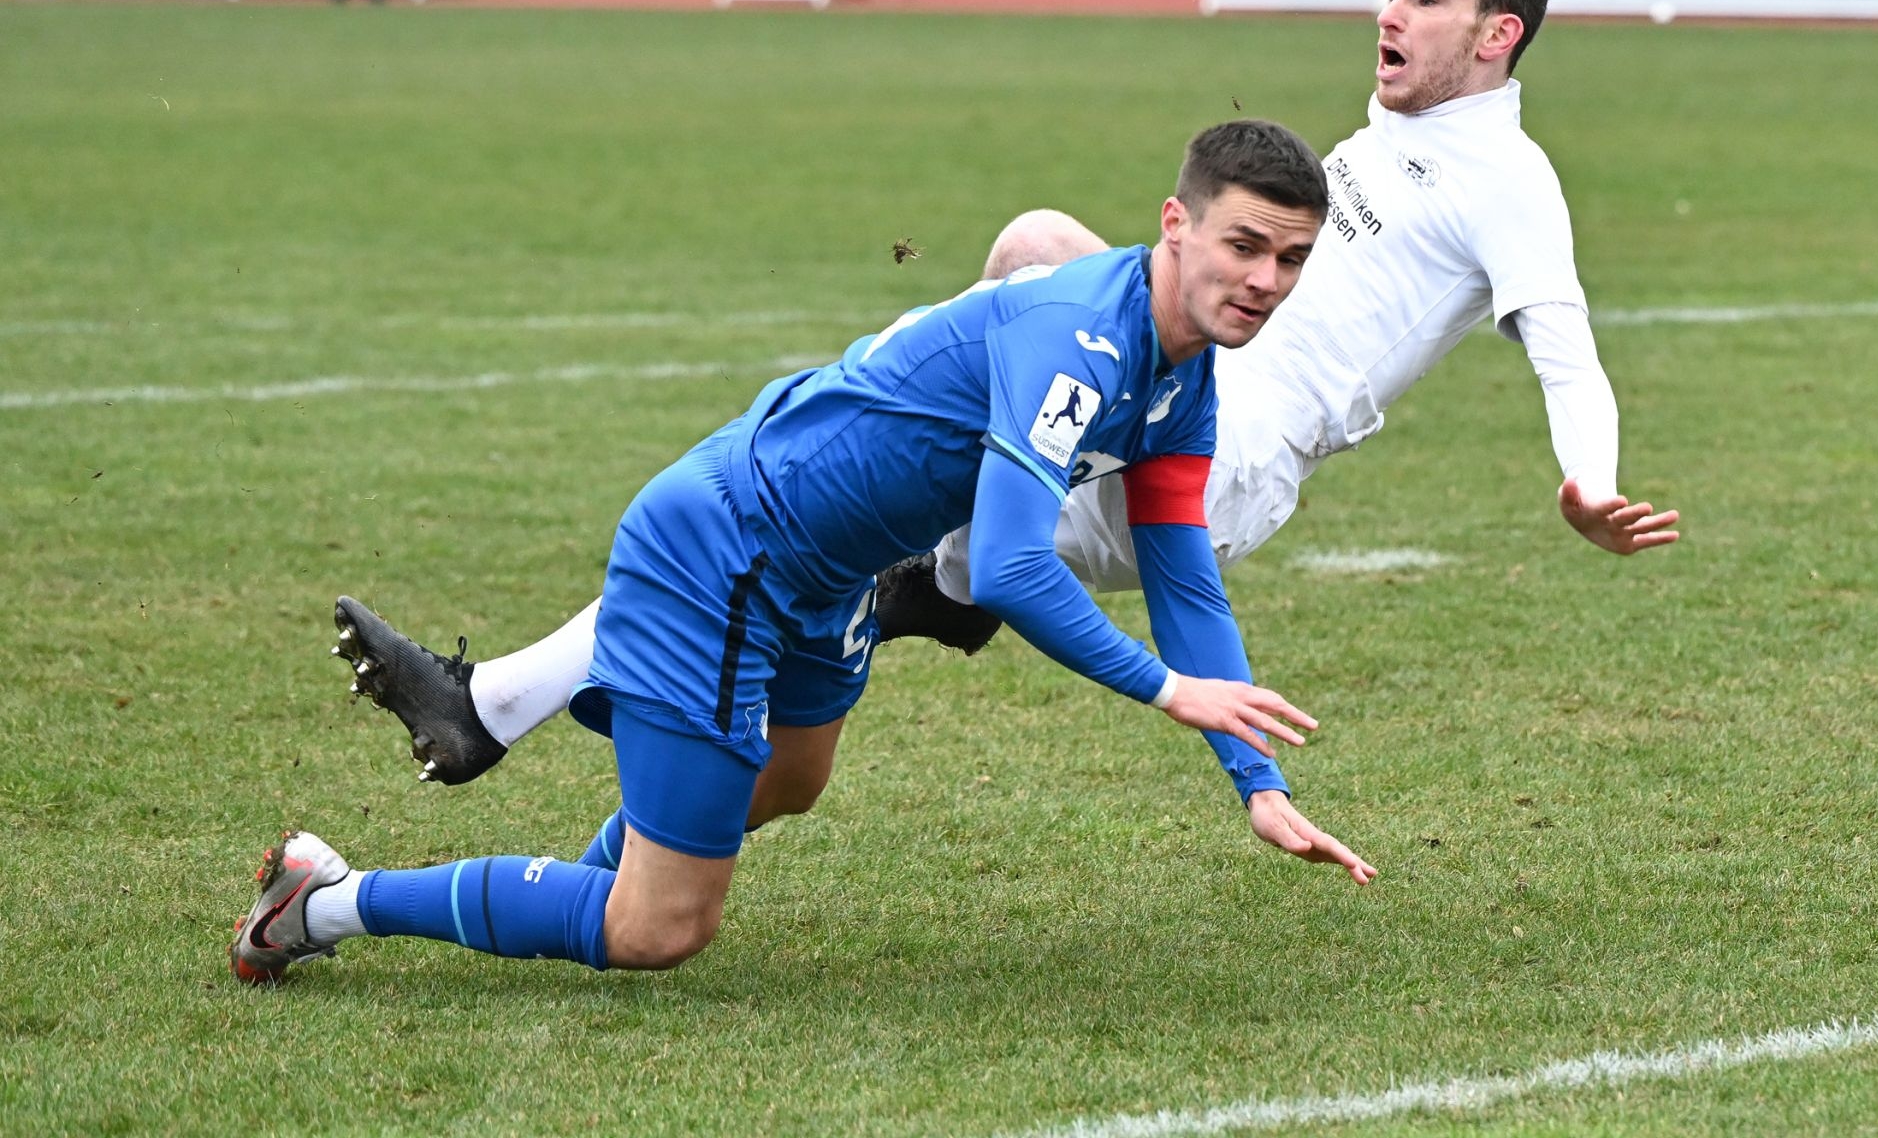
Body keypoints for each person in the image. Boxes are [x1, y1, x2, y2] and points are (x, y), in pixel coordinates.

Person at [321, 0, 1679, 792]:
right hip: (1183, 389)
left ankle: (512, 699)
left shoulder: (1511, 181)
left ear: (1497, 35)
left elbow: (1565, 344)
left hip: (1228, 456)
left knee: (803, 508)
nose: (1388, 12)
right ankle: (933, 579)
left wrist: (1590, 483)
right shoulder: (1401, 129)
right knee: (1026, 250)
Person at [232, 119, 1375, 986]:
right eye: (1244, 245)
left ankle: (585, 867)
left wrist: (1258, 784)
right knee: (661, 930)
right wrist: (1167, 689)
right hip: (725, 549)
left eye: (1290, 258)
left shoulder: (1183, 379)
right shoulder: (1080, 338)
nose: (1265, 281)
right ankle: (324, 900)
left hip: (824, 573)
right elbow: (1012, 566)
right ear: (1175, 224)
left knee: (790, 775)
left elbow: (1182, 575)